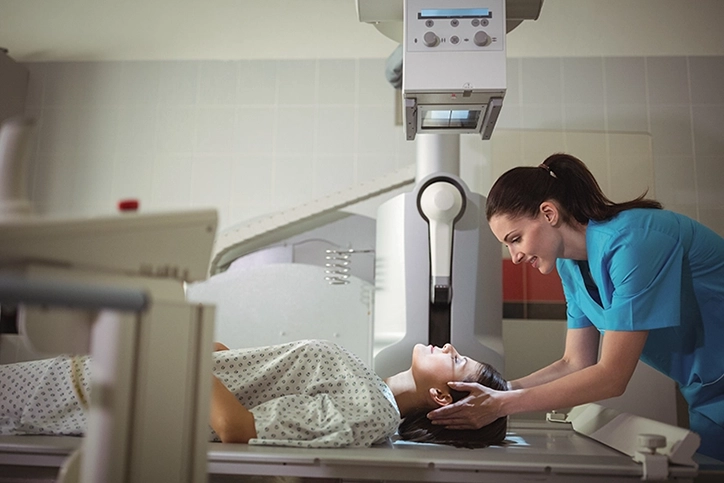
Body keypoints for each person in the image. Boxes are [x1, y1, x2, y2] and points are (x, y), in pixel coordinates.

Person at [427, 152, 724, 461]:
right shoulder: (570, 266)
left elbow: (612, 376)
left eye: (516, 239)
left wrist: (502, 404)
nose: (514, 256)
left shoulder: (633, 242)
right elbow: (574, 363)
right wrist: (501, 390)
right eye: (507, 245)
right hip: (706, 391)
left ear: (548, 213)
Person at [0, 339, 508, 449]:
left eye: (458, 360)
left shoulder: (370, 413)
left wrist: (182, 344)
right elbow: (254, 387)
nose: (449, 345)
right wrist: (213, 350)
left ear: (444, 397)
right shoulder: (368, 386)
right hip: (112, 375)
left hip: (112, 396)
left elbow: (236, 428)